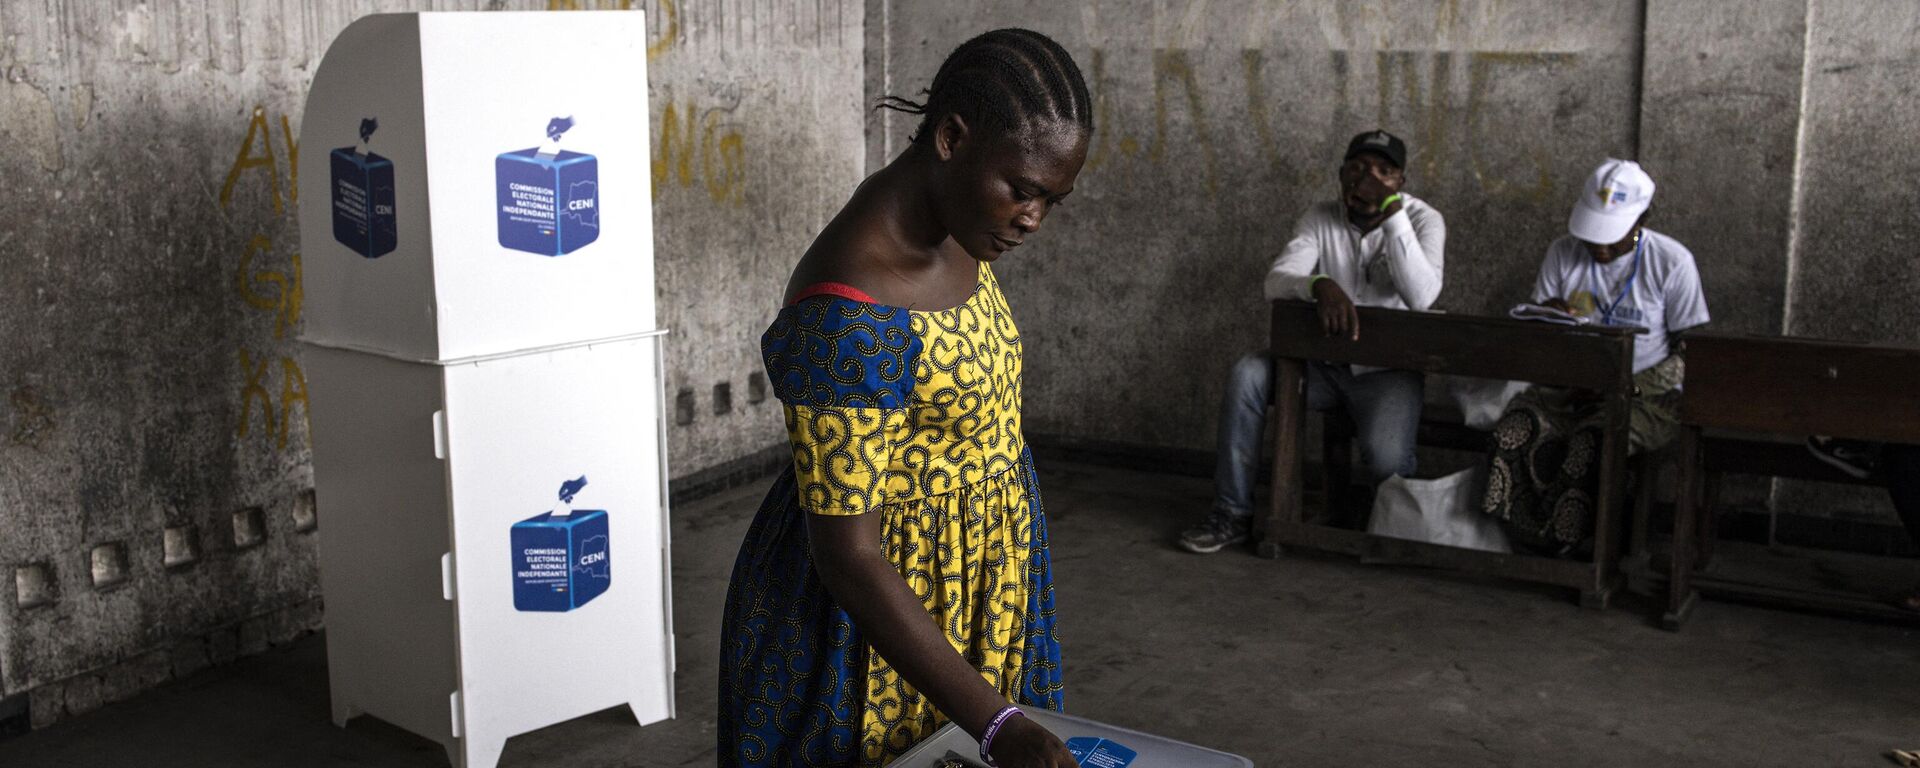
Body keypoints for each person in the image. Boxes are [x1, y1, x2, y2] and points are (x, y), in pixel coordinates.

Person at [718, 29, 1090, 768]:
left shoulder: (958, 226)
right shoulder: (848, 314)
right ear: (952, 137)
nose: (1032, 219)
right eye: (1022, 189)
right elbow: (850, 557)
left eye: (1053, 199)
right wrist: (995, 723)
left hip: (979, 587)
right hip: (878, 630)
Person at [1178, 129, 1446, 554]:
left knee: (1388, 462)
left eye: (1384, 172)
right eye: (1357, 169)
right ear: (1341, 175)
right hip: (1323, 369)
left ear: (1402, 182)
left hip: (1386, 374)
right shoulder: (1320, 217)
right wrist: (1318, 284)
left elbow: (1422, 296)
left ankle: (1375, 519)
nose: (1368, 180)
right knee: (1248, 374)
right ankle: (1232, 513)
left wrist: (1392, 213)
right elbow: (1276, 280)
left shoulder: (1423, 219)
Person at [1482, 158, 1710, 551]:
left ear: (1642, 220)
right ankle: (1521, 539)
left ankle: (1580, 548)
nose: (1600, 249)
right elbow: (1537, 338)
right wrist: (1547, 317)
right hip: (1569, 386)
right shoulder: (1562, 252)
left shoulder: (1671, 262)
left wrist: (1626, 387)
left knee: (1593, 443)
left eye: (1613, 237)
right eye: (1593, 237)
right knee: (1513, 430)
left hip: (1646, 397)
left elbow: (1692, 353)